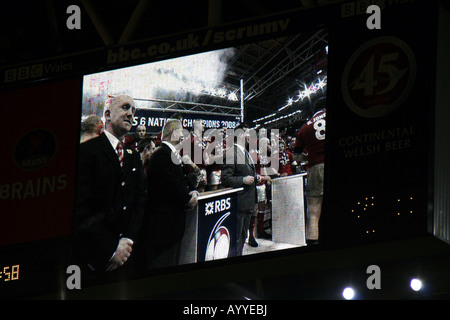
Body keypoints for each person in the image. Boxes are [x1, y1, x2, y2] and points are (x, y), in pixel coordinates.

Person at [74, 94, 147, 275]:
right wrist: (112, 249)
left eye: (133, 110)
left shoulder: (133, 155)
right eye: (125, 107)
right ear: (107, 114)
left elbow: (140, 199)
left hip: (127, 257)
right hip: (94, 259)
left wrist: (128, 241)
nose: (131, 114)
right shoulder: (87, 152)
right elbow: (81, 209)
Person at [142, 119, 199, 270]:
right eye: (181, 130)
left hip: (170, 229)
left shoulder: (171, 155)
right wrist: (189, 198)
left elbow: (184, 183)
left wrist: (191, 190)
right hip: (162, 231)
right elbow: (173, 189)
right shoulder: (163, 155)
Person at [221, 122, 259, 256]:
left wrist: (256, 177)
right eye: (248, 132)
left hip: (248, 203)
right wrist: (242, 180)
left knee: (242, 237)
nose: (250, 135)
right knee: (236, 238)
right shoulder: (232, 153)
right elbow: (225, 179)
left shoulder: (246, 153)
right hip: (239, 203)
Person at [294, 96, 326, 246]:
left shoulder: (304, 127)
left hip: (315, 168)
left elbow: (297, 155)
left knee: (313, 211)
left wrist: (308, 158)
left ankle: (313, 248)